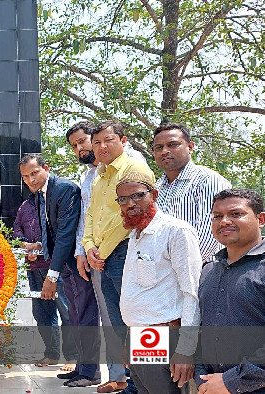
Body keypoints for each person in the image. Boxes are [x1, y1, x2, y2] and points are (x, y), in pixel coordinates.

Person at [81, 120, 153, 393]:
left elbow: (133, 215)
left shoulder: (133, 169)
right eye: (96, 142)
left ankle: (147, 383)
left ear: (123, 142)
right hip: (102, 257)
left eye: (108, 140)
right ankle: (132, 382)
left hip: (127, 252)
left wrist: (101, 251)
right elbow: (92, 215)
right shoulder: (100, 175)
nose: (101, 147)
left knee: (138, 319)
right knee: (118, 324)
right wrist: (89, 247)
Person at [116, 171, 201, 393]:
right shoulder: (135, 235)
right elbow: (139, 294)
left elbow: (192, 293)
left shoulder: (176, 231)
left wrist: (185, 349)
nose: (130, 204)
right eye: (123, 199)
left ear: (153, 195)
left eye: (137, 196)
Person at [195, 189, 265, 393]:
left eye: (236, 214)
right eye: (217, 216)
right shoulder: (208, 270)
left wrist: (232, 380)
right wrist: (201, 376)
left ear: (260, 219)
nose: (224, 221)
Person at [15, 154, 80, 373]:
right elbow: (17, 232)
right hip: (35, 267)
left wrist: (42, 249)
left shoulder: (60, 193)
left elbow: (61, 234)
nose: (31, 180)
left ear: (46, 168)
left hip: (58, 265)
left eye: (34, 173)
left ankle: (72, 356)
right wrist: (26, 246)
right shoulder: (27, 205)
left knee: (67, 310)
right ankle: (51, 353)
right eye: (26, 177)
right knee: (42, 312)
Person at [152, 122, 231, 264]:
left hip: (203, 270)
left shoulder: (207, 180)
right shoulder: (158, 187)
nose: (164, 151)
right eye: (159, 147)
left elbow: (211, 236)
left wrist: (180, 266)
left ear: (190, 147)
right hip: (165, 272)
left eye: (172, 144)